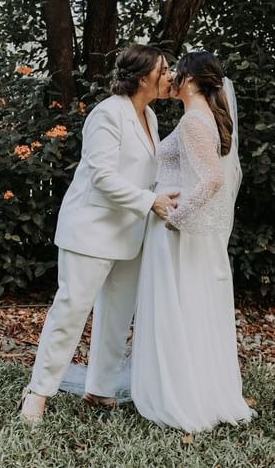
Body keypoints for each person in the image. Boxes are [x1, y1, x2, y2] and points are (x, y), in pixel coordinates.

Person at [20, 44, 178, 423]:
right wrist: (150, 201)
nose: (171, 75)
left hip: (130, 232)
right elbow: (103, 178)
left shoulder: (151, 118)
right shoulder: (107, 114)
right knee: (70, 312)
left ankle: (100, 389)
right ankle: (38, 392)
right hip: (90, 230)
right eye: (165, 69)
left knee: (117, 316)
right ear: (143, 78)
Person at [131, 51, 255, 433]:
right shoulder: (202, 117)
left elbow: (212, 181)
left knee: (177, 308)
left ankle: (181, 396)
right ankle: (193, 389)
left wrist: (175, 220)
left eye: (174, 71)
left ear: (188, 78)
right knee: (187, 308)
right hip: (182, 228)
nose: (169, 78)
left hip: (176, 231)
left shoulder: (193, 121)